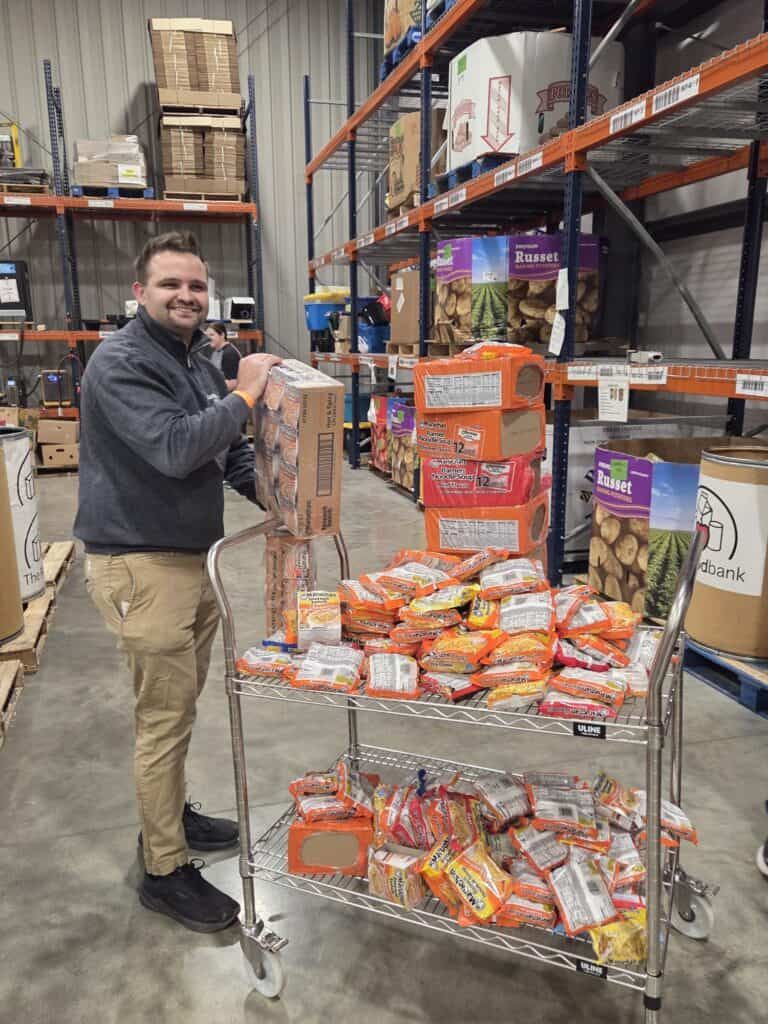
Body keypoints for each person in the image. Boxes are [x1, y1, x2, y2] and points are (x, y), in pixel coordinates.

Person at [74, 230, 280, 933]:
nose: (186, 296)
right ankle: (163, 869)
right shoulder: (121, 362)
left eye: (196, 286)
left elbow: (222, 453)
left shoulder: (191, 357)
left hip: (192, 559)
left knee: (179, 709)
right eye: (171, 285)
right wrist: (246, 394)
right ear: (140, 292)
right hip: (141, 564)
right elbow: (174, 448)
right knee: (161, 720)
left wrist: (284, 501)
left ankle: (171, 817)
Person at [204, 321, 241, 391]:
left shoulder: (229, 354)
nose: (208, 339)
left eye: (212, 335)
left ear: (222, 335)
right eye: (207, 336)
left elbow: (233, 383)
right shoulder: (215, 352)